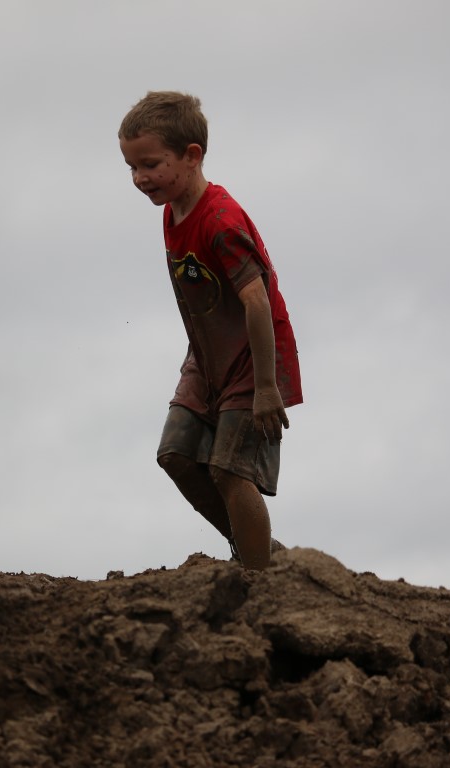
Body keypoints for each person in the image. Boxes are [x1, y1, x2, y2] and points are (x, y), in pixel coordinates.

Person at [118, 91, 302, 570]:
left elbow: (257, 301)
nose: (139, 178)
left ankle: (259, 580)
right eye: (131, 167)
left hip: (254, 359)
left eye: (151, 165)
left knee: (229, 470)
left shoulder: (220, 221)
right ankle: (261, 552)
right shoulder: (171, 209)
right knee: (176, 452)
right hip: (207, 355)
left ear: (192, 155)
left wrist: (266, 387)